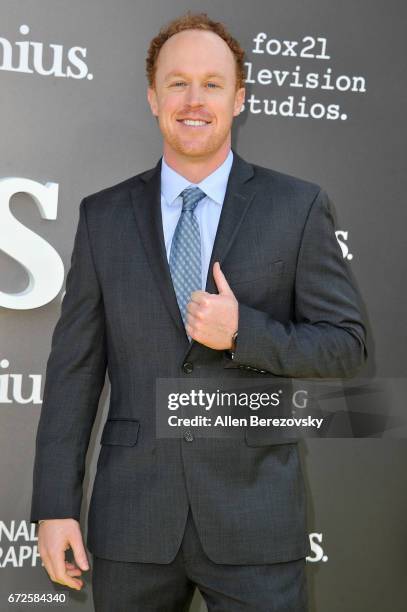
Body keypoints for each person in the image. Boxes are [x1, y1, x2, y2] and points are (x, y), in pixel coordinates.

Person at [30, 12, 367, 612]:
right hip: (132, 522)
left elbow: (346, 344)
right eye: (177, 82)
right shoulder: (102, 216)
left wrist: (244, 332)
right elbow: (73, 373)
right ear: (153, 97)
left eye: (212, 83)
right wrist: (56, 507)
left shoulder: (297, 207)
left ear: (238, 98)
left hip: (255, 519)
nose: (194, 99)